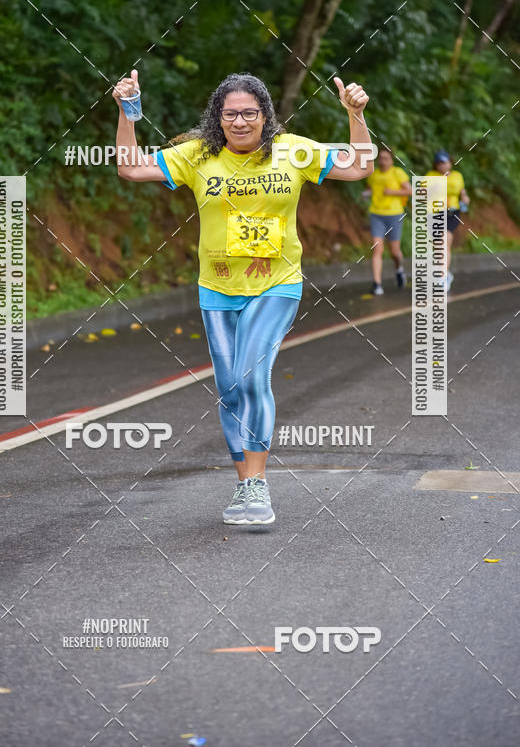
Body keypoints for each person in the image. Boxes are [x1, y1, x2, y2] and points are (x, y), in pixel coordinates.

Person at [113, 69, 373, 525]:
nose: (239, 122)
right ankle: (243, 487)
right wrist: (128, 112)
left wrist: (356, 116)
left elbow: (360, 165)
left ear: (265, 115)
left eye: (249, 113)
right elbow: (130, 167)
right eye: (230, 114)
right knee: (230, 388)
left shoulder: (292, 151)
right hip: (216, 288)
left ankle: (258, 484)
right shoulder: (197, 156)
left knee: (252, 376)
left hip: (276, 283)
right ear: (218, 117)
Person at [363, 147, 411, 295]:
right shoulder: (373, 175)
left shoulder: (398, 173)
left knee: (395, 252)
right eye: (381, 158)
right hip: (376, 214)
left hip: (394, 215)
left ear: (391, 161)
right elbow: (370, 189)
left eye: (386, 158)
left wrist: (393, 192)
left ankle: (399, 269)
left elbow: (410, 191)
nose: (383, 161)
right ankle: (377, 284)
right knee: (377, 249)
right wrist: (366, 194)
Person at [426, 151, 469, 292]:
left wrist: (465, 199)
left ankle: (442, 277)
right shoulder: (430, 176)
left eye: (444, 162)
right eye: (439, 163)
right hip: (434, 212)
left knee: (445, 240)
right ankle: (446, 273)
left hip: (452, 212)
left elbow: (462, 192)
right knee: (438, 246)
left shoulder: (457, 176)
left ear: (450, 163)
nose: (442, 165)